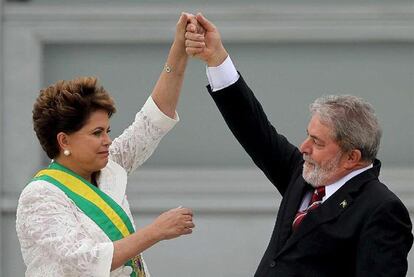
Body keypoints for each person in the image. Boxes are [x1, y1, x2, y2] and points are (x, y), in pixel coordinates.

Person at [185, 13, 413, 276]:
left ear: (352, 157)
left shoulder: (381, 209)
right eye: (308, 135)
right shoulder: (304, 174)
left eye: (317, 142)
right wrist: (216, 59)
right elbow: (254, 130)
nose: (303, 147)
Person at [16, 13, 196, 277]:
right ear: (64, 140)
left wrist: (179, 51)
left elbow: (153, 121)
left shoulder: (110, 166)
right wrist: (156, 231)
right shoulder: (40, 196)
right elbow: (86, 261)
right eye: (97, 133)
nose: (107, 140)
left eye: (107, 131)